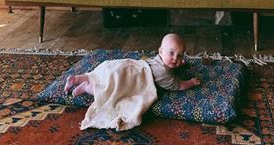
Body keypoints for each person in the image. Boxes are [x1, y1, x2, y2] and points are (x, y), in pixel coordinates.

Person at [64, 33, 200, 97]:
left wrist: (179, 63)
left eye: (180, 55)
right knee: (114, 90)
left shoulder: (157, 59)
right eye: (171, 53)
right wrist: (191, 82)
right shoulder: (164, 74)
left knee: (104, 73)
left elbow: (171, 62)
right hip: (132, 77)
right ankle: (88, 88)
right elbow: (178, 85)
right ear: (160, 51)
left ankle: (78, 78)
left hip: (125, 65)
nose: (175, 59)